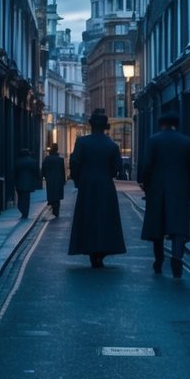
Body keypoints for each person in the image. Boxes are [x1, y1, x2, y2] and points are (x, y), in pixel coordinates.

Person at [138, 107, 190, 278]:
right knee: (178, 227)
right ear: (176, 125)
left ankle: (158, 261)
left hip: (157, 191)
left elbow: (147, 165)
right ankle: (177, 258)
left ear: (161, 125)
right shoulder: (186, 141)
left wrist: (145, 184)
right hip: (180, 191)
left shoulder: (153, 140)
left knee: (158, 228)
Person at [68, 108, 127, 268]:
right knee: (105, 219)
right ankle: (102, 252)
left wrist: (78, 180)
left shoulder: (82, 142)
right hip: (106, 186)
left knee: (87, 217)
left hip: (87, 185)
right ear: (105, 127)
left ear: (91, 125)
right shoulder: (112, 145)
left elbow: (74, 163)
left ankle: (91, 251)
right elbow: (116, 169)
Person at [12, 148, 41, 219]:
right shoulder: (33, 161)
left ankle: (21, 209)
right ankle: (25, 213)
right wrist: (38, 179)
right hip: (29, 183)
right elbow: (36, 172)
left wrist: (14, 182)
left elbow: (14, 173)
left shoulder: (18, 162)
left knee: (20, 198)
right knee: (26, 199)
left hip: (19, 183)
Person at [41, 143, 66, 217]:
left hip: (50, 179)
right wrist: (63, 181)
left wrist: (45, 176)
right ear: (57, 149)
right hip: (58, 179)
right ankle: (56, 211)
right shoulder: (60, 160)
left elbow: (43, 169)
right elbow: (62, 171)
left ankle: (51, 208)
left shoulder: (47, 159)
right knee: (57, 197)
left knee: (51, 194)